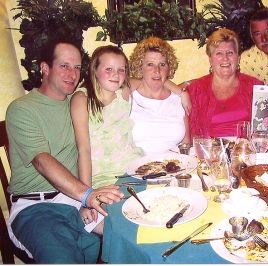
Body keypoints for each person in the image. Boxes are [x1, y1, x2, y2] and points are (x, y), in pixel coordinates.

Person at [5, 37, 124, 263]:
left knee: (128, 231)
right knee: (63, 258)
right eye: (64, 66)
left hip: (74, 199)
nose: (72, 73)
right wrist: (88, 195)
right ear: (45, 68)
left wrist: (176, 87)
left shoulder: (78, 100)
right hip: (37, 207)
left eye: (77, 67)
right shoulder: (22, 109)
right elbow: (42, 161)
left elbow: (126, 81)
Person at [70, 45, 144, 226]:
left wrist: (181, 91)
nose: (116, 75)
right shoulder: (82, 99)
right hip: (104, 179)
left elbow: (151, 80)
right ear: (95, 70)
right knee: (129, 222)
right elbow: (84, 150)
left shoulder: (123, 92)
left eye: (121, 70)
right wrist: (86, 198)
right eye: (108, 69)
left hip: (136, 171)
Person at [188, 28, 264, 138]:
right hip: (210, 152)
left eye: (230, 53)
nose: (225, 58)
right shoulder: (196, 90)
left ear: (238, 58)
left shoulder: (255, 87)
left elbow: (266, 129)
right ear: (210, 59)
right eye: (219, 53)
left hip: (246, 151)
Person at [128, 36, 190, 155]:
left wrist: (181, 93)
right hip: (137, 168)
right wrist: (180, 90)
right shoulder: (129, 96)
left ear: (169, 67)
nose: (157, 70)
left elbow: (186, 145)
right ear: (140, 67)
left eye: (162, 64)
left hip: (173, 167)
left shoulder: (178, 100)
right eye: (150, 64)